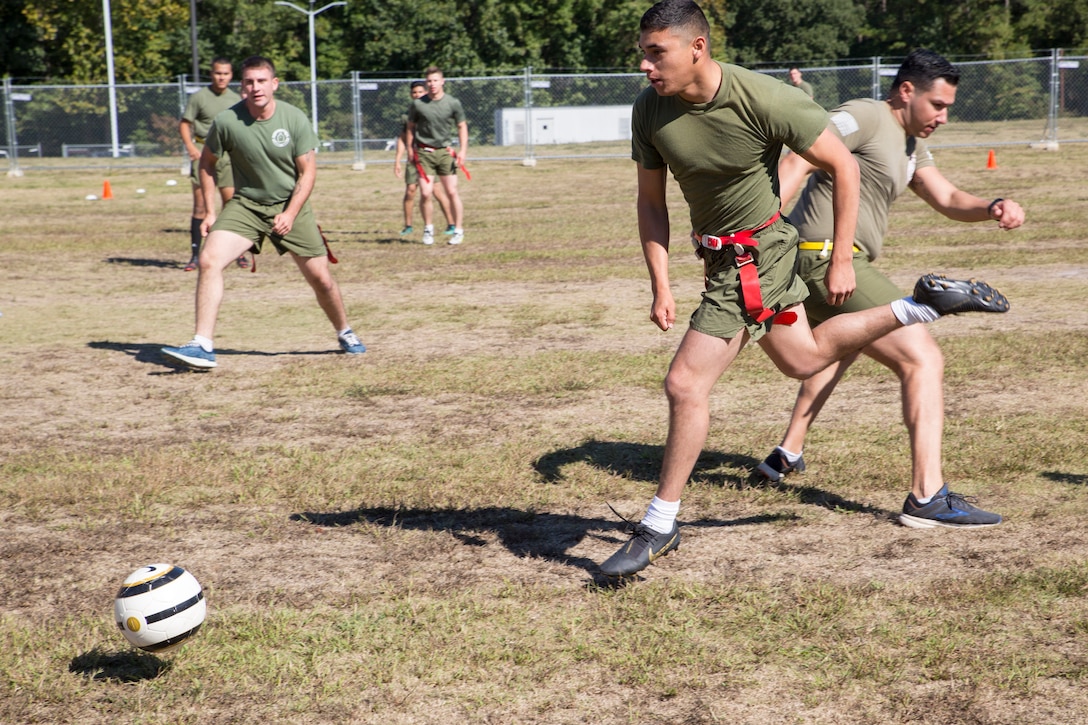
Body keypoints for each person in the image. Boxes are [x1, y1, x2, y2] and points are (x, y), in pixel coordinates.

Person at [598, 0, 1010, 579]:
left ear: (697, 48)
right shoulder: (650, 109)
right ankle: (919, 304)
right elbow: (649, 200)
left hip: (761, 259)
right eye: (643, 51)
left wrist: (841, 258)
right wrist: (660, 282)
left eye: (655, 52)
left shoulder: (766, 98)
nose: (644, 64)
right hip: (724, 264)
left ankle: (659, 523)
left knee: (685, 382)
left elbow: (841, 165)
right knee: (806, 360)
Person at [756, 49, 1025, 529]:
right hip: (824, 258)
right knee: (921, 356)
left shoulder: (908, 144)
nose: (943, 116)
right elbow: (799, 154)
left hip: (826, 260)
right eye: (937, 105)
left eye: (947, 107)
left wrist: (992, 204)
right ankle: (927, 496)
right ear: (907, 91)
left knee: (838, 350)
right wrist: (760, 226)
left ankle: (785, 454)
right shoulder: (865, 115)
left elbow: (945, 196)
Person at [162, 55, 366, 370]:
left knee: (321, 279)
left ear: (274, 84)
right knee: (208, 260)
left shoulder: (293, 118)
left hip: (290, 205)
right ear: (241, 86)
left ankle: (345, 331)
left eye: (261, 81)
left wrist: (290, 213)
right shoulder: (228, 121)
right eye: (249, 82)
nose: (255, 88)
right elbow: (207, 163)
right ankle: (202, 344)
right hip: (247, 206)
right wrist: (210, 212)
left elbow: (308, 173)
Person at [179, 57, 248, 272]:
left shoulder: (237, 99)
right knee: (200, 207)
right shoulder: (199, 97)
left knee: (232, 206)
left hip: (227, 158)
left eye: (226, 74)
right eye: (218, 73)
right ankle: (195, 256)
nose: (222, 77)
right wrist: (191, 147)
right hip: (203, 157)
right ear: (211, 73)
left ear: (231, 75)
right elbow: (185, 124)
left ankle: (239, 253)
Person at [405, 66, 468, 246]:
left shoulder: (453, 103)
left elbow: (462, 126)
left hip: (445, 153)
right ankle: (428, 229)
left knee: (452, 192)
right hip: (424, 152)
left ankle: (458, 230)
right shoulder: (418, 104)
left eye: (435, 81)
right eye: (429, 81)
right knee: (425, 192)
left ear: (442, 81)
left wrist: (462, 151)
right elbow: (410, 127)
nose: (432, 84)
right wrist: (410, 149)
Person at [393, 80, 453, 238]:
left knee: (436, 191)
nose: (417, 95)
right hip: (414, 158)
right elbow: (403, 138)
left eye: (420, 92)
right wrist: (398, 160)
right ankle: (408, 226)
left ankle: (451, 224)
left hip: (429, 156)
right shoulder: (409, 115)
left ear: (426, 92)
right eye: (414, 92)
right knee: (410, 190)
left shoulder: (431, 111)